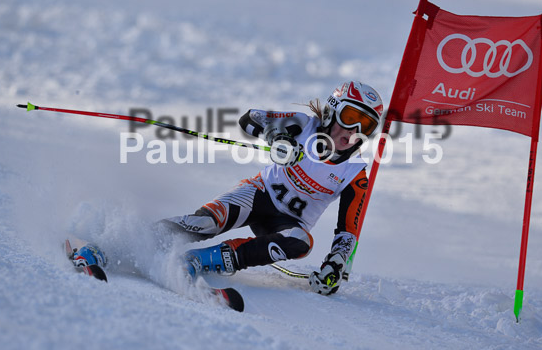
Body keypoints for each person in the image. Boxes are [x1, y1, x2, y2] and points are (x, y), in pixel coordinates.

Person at [159, 81, 384, 295]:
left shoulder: (354, 172)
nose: (354, 130)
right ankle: (149, 237)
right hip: (258, 196)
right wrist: (278, 136)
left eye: (366, 126)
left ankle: (199, 260)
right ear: (332, 111)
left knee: (302, 242)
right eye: (351, 117)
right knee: (205, 222)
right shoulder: (303, 124)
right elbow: (250, 118)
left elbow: (347, 232)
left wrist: (336, 264)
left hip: (287, 224)